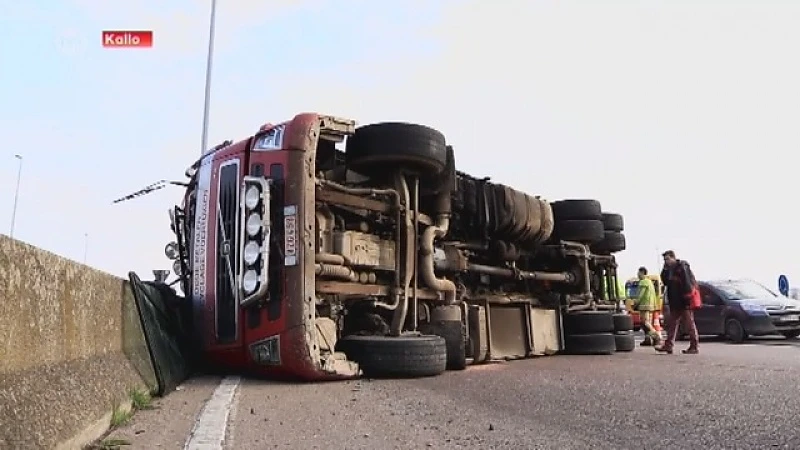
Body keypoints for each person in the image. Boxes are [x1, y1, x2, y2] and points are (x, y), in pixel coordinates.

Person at [655, 250, 700, 354]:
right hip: (675, 302)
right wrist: (665, 268)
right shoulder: (669, 269)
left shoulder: (682, 267)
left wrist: (687, 298)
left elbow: (688, 284)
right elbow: (665, 281)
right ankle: (668, 346)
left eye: (667, 259)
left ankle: (694, 346)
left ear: (673, 257)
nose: (666, 261)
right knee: (672, 324)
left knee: (689, 324)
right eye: (665, 260)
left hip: (684, 302)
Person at [634, 267, 661, 347]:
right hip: (651, 305)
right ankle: (647, 339)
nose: (637, 275)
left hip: (644, 305)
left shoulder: (643, 282)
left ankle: (656, 336)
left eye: (638, 273)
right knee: (647, 323)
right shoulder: (650, 282)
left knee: (645, 323)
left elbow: (640, 295)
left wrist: (635, 303)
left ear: (642, 273)